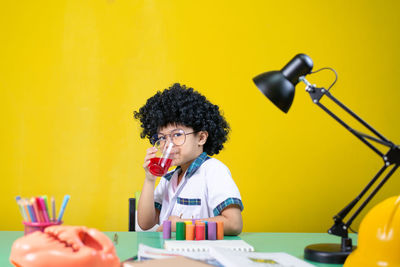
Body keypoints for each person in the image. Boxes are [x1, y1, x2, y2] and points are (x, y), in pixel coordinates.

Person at [133, 83, 243, 235]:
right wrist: (150, 179)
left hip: (200, 254)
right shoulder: (168, 178)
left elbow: (234, 223)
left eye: (177, 135)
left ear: (201, 138)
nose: (167, 145)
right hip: (170, 252)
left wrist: (182, 225)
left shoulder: (213, 171)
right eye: (162, 138)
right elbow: (145, 223)